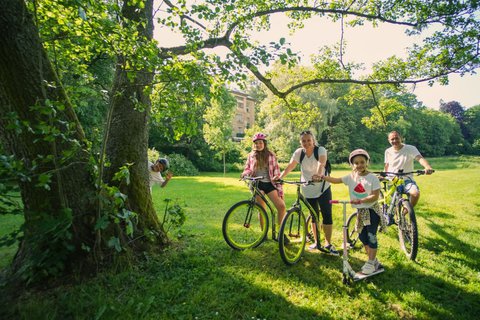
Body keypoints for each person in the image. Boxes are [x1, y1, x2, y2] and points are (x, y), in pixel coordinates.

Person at [319, 149, 383, 275]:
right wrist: (323, 177)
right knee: (362, 236)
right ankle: (374, 260)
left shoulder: (372, 178)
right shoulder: (351, 177)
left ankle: (370, 262)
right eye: (356, 163)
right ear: (352, 165)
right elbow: (336, 180)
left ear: (367, 162)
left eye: (362, 162)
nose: (359, 165)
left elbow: (375, 196)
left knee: (371, 236)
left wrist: (361, 200)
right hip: (360, 211)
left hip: (371, 211)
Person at [275, 130, 338, 255]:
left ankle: (328, 243)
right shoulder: (299, 153)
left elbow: (322, 162)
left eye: (309, 140)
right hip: (307, 188)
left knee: (326, 214)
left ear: (313, 140)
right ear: (300, 142)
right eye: (303, 141)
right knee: (314, 215)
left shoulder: (320, 150)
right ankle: (316, 241)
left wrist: (319, 174)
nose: (306, 143)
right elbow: (290, 166)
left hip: (322, 187)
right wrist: (280, 176)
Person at [241, 132, 286, 231]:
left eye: (260, 143)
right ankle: (263, 233)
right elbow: (248, 168)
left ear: (264, 143)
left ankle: (280, 232)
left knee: (281, 206)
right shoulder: (251, 155)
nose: (258, 145)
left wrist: (276, 177)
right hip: (257, 184)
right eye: (256, 143)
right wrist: (244, 173)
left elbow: (276, 170)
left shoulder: (271, 155)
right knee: (262, 209)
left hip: (269, 184)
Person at [384, 131, 434, 207]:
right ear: (389, 140)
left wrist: (427, 167)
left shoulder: (410, 148)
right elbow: (387, 165)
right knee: (394, 204)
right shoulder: (388, 151)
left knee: (415, 194)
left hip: (407, 179)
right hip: (392, 180)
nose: (395, 141)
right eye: (392, 139)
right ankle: (394, 216)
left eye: (397, 138)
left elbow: (420, 158)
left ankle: (406, 212)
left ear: (401, 138)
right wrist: (384, 175)